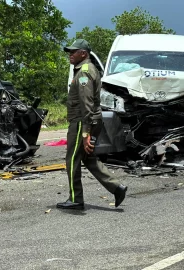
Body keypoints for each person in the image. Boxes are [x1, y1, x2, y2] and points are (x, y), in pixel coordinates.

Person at [57, 39, 127, 210]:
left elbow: (86, 103)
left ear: (84, 53)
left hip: (82, 122)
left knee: (72, 159)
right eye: (69, 52)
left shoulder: (84, 73)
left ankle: (76, 199)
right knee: (88, 158)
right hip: (89, 121)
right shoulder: (88, 69)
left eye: (74, 51)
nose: (70, 55)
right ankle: (116, 187)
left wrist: (85, 133)